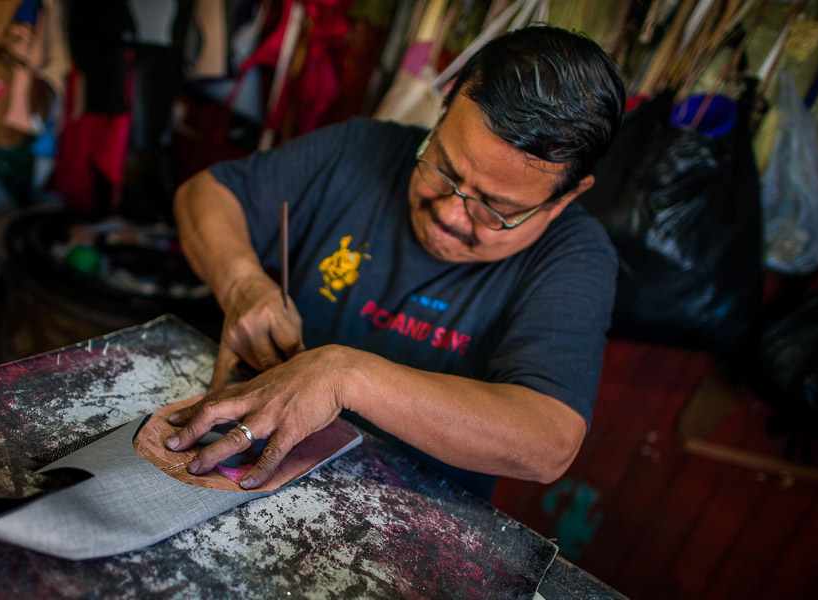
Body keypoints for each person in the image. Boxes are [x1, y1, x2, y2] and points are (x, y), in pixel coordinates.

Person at [165, 24, 625, 499]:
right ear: (444, 110)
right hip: (255, 477)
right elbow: (206, 194)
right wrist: (242, 282)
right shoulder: (358, 149)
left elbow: (548, 442)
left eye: (495, 208)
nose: (448, 212)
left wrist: (345, 377)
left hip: (410, 520)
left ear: (565, 198)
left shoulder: (575, 257)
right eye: (443, 167)